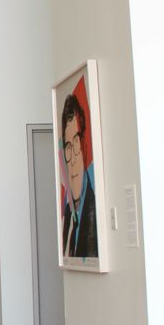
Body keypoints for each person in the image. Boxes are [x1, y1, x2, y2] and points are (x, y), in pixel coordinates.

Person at [60, 94, 98, 259]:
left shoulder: (93, 214)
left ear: (85, 148)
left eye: (76, 143)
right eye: (68, 147)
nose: (73, 160)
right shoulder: (68, 213)